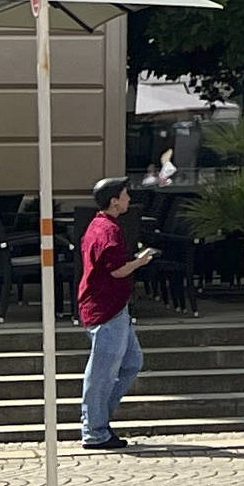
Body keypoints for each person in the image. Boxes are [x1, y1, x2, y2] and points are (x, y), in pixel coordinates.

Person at [76, 173, 154, 449]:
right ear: (114, 201)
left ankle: (100, 420)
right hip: (105, 308)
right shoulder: (107, 230)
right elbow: (117, 270)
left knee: (132, 362)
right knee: (101, 372)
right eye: (125, 195)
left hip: (114, 307)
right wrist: (140, 262)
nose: (129, 199)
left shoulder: (100, 225)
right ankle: (95, 431)